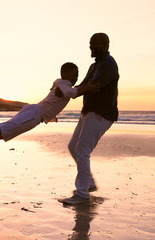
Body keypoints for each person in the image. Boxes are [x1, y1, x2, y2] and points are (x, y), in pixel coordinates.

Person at [0, 62, 99, 157]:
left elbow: (54, 101)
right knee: (1, 130)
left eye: (77, 75)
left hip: (35, 114)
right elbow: (70, 93)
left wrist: (50, 116)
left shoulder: (62, 84)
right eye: (75, 74)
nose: (76, 78)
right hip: (34, 114)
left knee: (2, 134)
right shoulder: (64, 85)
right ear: (66, 74)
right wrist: (88, 88)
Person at [62, 33, 120, 205]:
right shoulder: (94, 66)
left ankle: (82, 194)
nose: (91, 47)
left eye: (94, 44)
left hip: (101, 113)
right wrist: (67, 89)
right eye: (90, 44)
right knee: (73, 146)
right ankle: (89, 184)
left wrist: (76, 91)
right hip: (88, 111)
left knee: (82, 149)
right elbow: (83, 86)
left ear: (105, 44)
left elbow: (93, 87)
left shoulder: (109, 64)